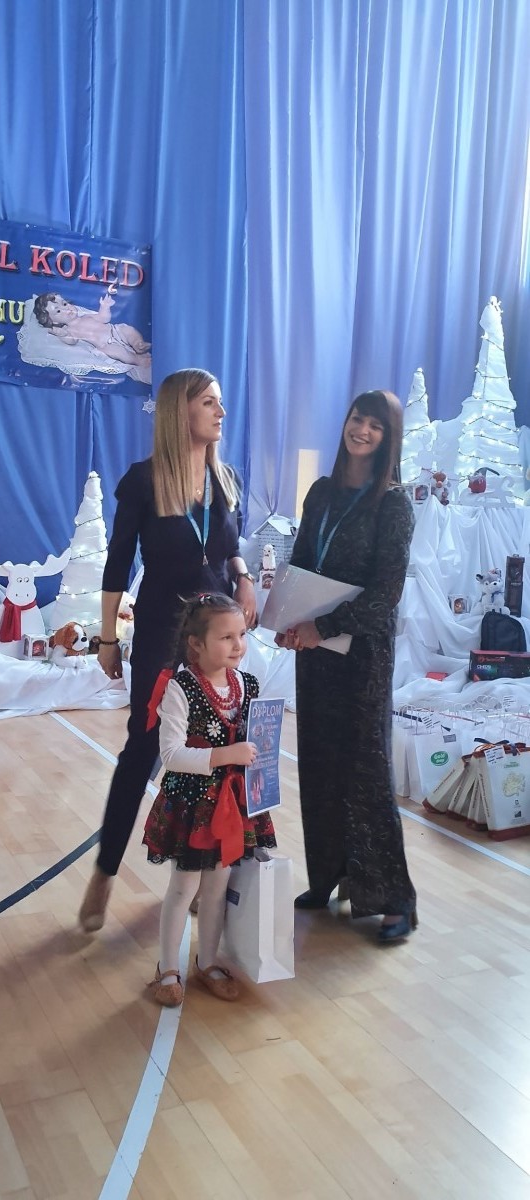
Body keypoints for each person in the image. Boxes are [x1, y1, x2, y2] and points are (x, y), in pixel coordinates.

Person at [79, 368, 257, 932]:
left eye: (220, 402)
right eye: (209, 403)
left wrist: (244, 576)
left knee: (216, 751)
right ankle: (105, 871)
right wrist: (108, 638)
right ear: (181, 411)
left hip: (217, 636)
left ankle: (202, 871)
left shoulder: (225, 479)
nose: (220, 413)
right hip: (162, 631)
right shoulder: (144, 480)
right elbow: (116, 565)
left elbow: (228, 545)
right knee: (145, 747)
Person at [278, 390, 417, 944]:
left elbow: (386, 594)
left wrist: (325, 626)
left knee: (365, 771)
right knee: (318, 762)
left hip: (362, 655)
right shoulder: (321, 492)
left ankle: (393, 899)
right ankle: (328, 877)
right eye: (358, 419)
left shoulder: (394, 505)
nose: (362, 430)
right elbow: (300, 561)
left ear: (388, 439)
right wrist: (289, 617)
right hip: (315, 651)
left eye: (375, 426)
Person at [142, 593, 277, 1006]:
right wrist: (226, 755)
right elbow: (171, 755)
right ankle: (168, 968)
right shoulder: (180, 687)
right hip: (193, 806)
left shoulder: (248, 684)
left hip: (233, 805)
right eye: (226, 637)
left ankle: (209, 961)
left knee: (218, 888)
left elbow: (258, 743)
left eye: (242, 635)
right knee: (184, 889)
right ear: (196, 643)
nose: (238, 645)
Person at [33, 291, 151, 368]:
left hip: (115, 331)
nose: (66, 309)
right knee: (119, 352)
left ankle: (138, 344)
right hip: (105, 345)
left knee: (128, 330)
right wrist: (62, 335)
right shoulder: (70, 330)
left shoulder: (86, 316)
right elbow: (72, 341)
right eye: (58, 311)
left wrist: (105, 307)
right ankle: (137, 360)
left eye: (64, 304)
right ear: (54, 321)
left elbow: (103, 318)